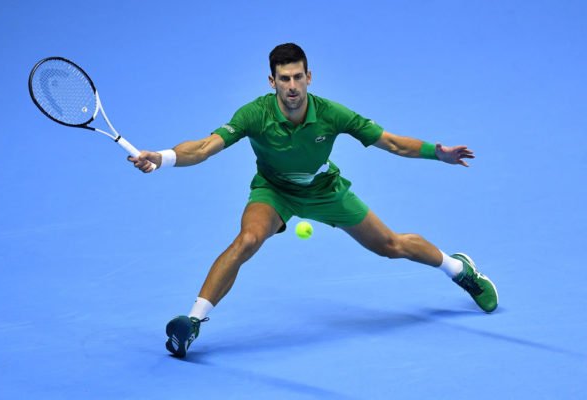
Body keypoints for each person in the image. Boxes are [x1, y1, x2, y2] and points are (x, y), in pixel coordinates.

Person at [129, 43, 498, 358]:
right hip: (274, 192)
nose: (292, 86)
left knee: (391, 245)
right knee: (248, 240)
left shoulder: (332, 114)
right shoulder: (254, 115)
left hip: (325, 191)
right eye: (284, 79)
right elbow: (206, 147)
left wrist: (439, 152)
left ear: (309, 77)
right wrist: (163, 157)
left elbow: (393, 142)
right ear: (272, 81)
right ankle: (192, 321)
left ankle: (459, 269)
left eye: (298, 77)